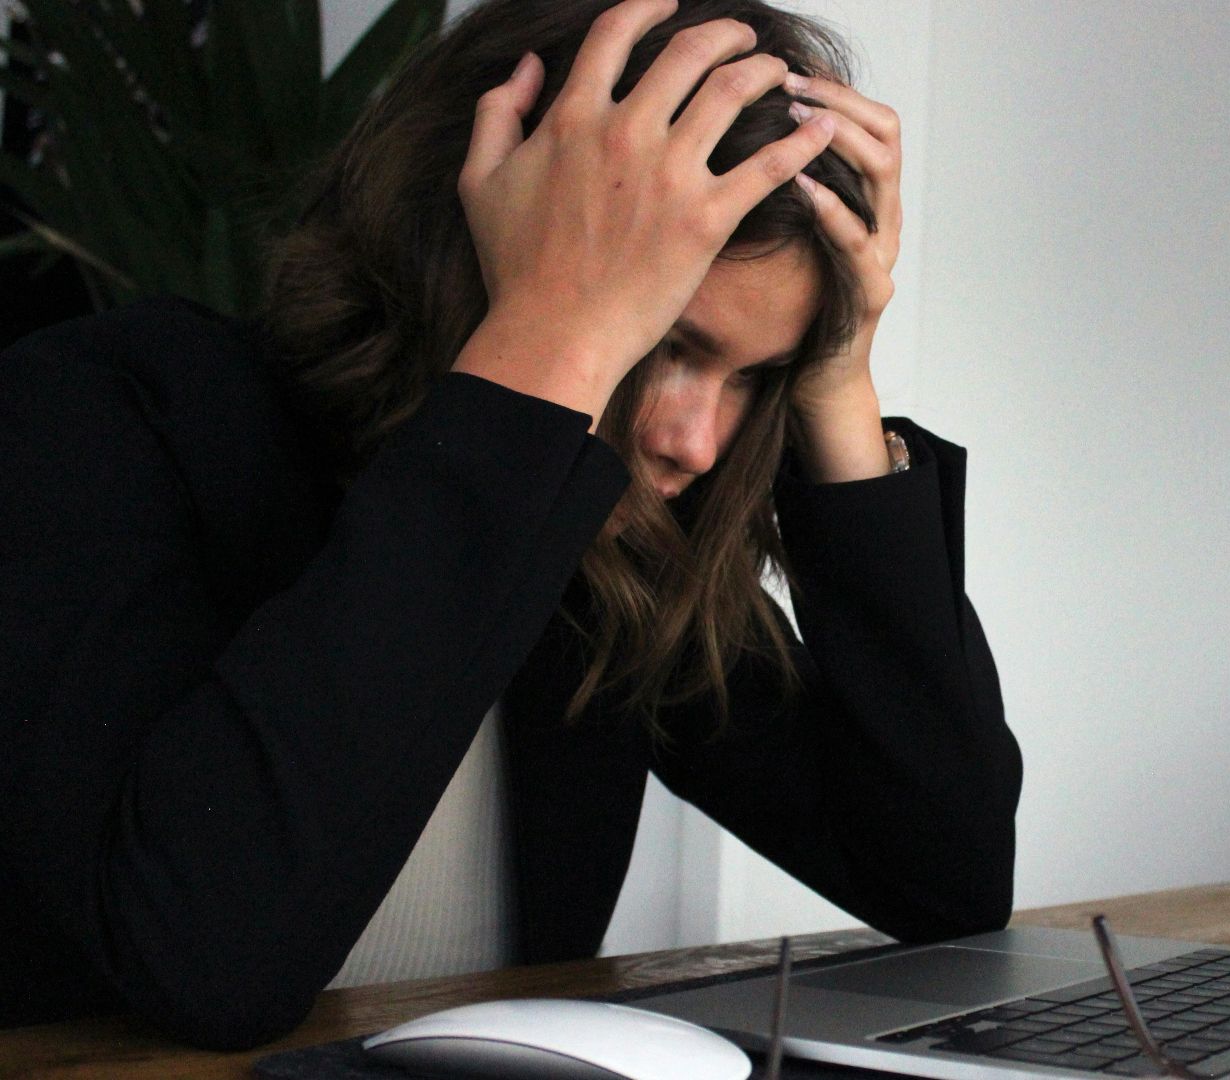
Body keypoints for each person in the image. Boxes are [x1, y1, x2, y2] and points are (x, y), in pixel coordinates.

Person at [0, 0, 1020, 1050]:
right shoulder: (94, 416)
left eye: (755, 378)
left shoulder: (602, 546)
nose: (696, 443)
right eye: (664, 340)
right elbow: (204, 962)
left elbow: (942, 879)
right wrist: (552, 340)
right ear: (474, 235)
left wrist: (837, 382)